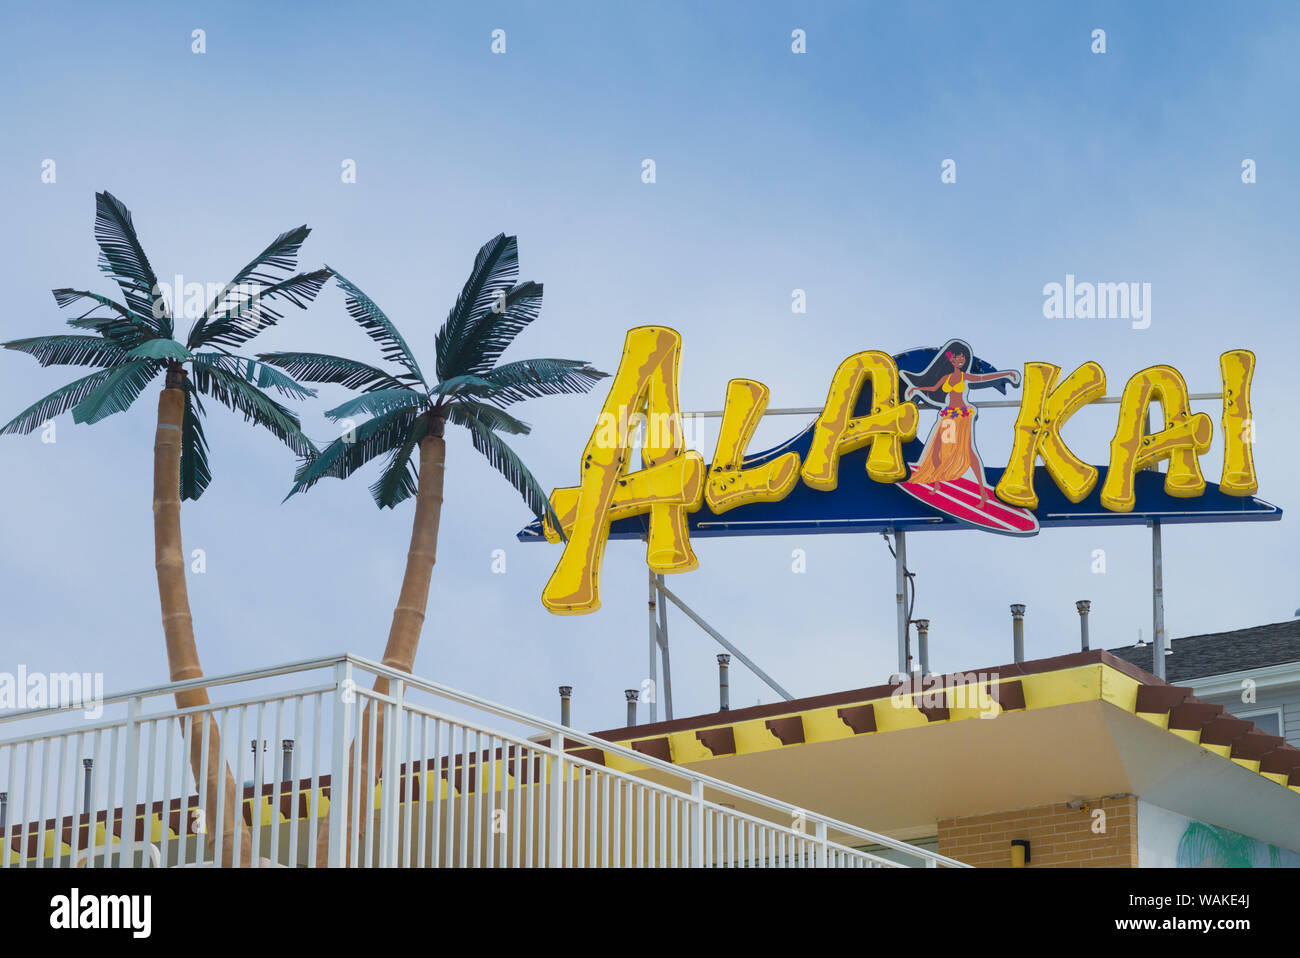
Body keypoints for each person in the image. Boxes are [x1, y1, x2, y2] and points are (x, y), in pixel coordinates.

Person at [900, 339, 1020, 507]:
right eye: (957, 357)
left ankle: (983, 491)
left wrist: (1006, 375)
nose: (961, 360)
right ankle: (935, 484)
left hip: (962, 416)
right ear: (952, 360)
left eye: (963, 357)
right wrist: (916, 389)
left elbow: (983, 377)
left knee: (969, 451)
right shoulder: (946, 377)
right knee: (935, 449)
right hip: (948, 415)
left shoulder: (964, 376)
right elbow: (933, 388)